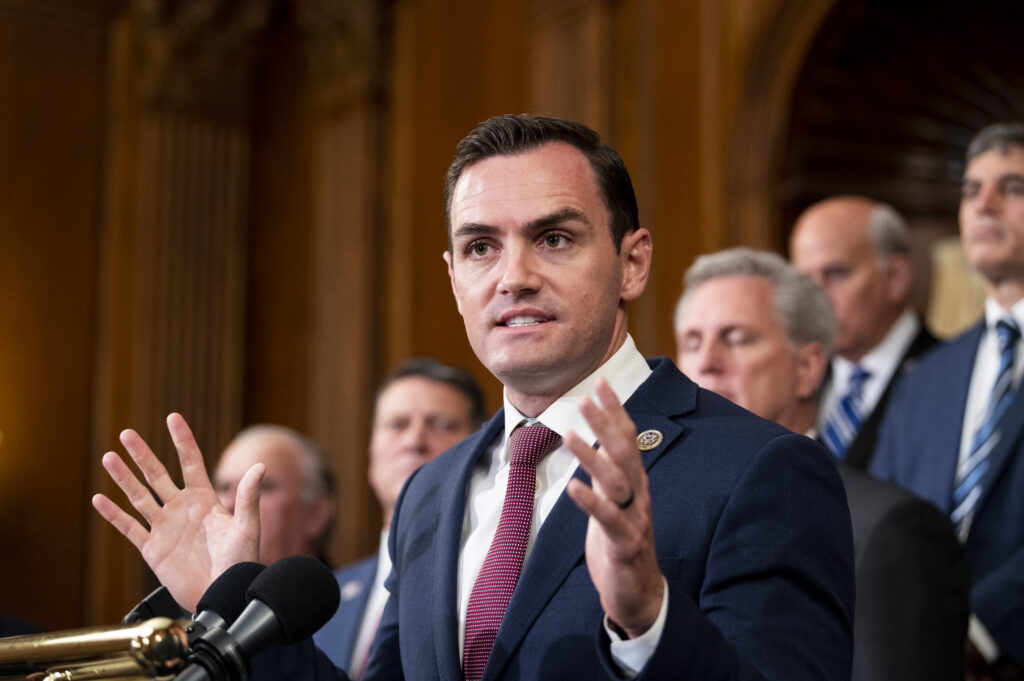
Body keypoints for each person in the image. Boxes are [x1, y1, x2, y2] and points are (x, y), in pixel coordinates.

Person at [92, 114, 854, 680]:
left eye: (554, 238)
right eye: (481, 246)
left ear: (632, 262)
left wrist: (647, 615)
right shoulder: (431, 490)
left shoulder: (760, 468)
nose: (512, 275)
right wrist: (223, 600)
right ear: (454, 278)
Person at [674, 247, 969, 681]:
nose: (706, 363)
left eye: (736, 338)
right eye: (692, 342)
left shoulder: (890, 528)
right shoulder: (656, 509)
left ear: (808, 367)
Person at [871, 122, 1024, 679]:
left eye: (1012, 187)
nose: (984, 204)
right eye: (970, 189)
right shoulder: (926, 377)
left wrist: (982, 631)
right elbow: (886, 518)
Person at [313, 357, 486, 676]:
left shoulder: (490, 585)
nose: (414, 442)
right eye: (397, 425)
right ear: (371, 454)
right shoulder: (326, 598)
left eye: (443, 425)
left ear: (480, 453)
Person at [790, 196, 938, 469]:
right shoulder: (796, 380)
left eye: (835, 274)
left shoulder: (948, 372)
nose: (815, 298)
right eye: (804, 282)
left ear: (896, 277)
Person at [213, 424, 335, 566]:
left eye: (260, 487)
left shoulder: (349, 587)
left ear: (315, 513)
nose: (231, 503)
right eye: (224, 487)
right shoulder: (195, 587)